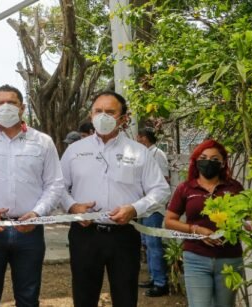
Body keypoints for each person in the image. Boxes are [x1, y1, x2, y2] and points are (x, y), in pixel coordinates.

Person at [60, 91, 170, 307]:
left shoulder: (139, 152)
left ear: (123, 118)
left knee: (125, 296)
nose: (103, 116)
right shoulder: (74, 151)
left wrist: (135, 209)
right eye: (98, 111)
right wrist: (73, 207)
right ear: (91, 115)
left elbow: (160, 190)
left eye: (110, 112)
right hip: (85, 235)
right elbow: (58, 188)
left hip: (124, 236)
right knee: (83, 297)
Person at [0, 85, 65, 306]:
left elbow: (55, 184)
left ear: (22, 108)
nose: (6, 107)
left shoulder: (42, 141)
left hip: (30, 231)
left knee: (28, 297)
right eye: (0, 103)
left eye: (12, 102)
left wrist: (38, 213)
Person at [165, 140, 243, 307]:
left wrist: (245, 225)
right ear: (196, 161)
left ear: (223, 163)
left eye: (215, 159)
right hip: (196, 258)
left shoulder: (234, 187)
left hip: (229, 258)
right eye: (204, 157)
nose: (209, 162)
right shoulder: (186, 188)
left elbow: (248, 218)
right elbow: (169, 221)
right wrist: (195, 229)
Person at [135, 127, 170, 297]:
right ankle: (153, 277)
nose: (137, 140)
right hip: (143, 207)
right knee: (147, 244)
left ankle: (160, 282)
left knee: (154, 245)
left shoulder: (158, 154)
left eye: (139, 137)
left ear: (144, 138)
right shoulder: (145, 154)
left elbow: (164, 180)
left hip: (154, 208)